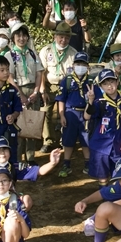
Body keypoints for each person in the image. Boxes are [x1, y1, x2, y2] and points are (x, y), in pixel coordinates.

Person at [84, 69, 121, 187]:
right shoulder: (99, 102)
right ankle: (104, 197)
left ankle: (117, 197)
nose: (109, 86)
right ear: (101, 86)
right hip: (101, 145)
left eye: (112, 82)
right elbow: (87, 116)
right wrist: (90, 101)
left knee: (120, 172)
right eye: (105, 84)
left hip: (120, 143)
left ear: (117, 81)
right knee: (102, 175)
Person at [5, 22, 44, 164]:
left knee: (32, 124)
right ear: (13, 38)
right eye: (18, 36)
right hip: (17, 91)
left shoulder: (33, 54)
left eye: (24, 36)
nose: (21, 39)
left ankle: (31, 157)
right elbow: (9, 76)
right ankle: (18, 158)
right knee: (19, 126)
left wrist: (36, 92)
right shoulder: (10, 55)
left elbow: (39, 73)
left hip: (32, 90)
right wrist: (20, 95)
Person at [39, 22, 78, 152]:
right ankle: (48, 140)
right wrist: (42, 89)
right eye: (61, 36)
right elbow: (42, 72)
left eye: (66, 37)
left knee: (65, 113)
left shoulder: (73, 53)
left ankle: (64, 140)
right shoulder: (46, 50)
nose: (63, 40)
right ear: (55, 36)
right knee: (45, 112)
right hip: (50, 85)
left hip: (66, 86)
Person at [55, 51, 96, 177]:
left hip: (85, 114)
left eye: (83, 64)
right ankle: (66, 164)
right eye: (78, 63)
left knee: (86, 139)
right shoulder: (66, 80)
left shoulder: (90, 81)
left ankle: (88, 164)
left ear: (87, 66)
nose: (80, 66)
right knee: (68, 139)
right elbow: (61, 99)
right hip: (70, 113)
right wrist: (61, 115)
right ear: (73, 65)